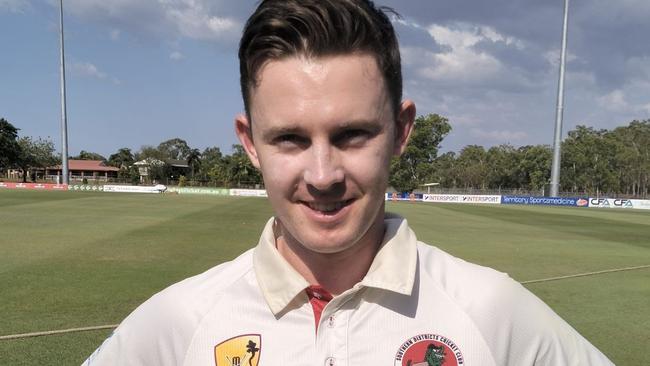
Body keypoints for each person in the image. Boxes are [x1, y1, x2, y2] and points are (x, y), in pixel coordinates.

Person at [83, 1, 614, 365]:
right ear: (249, 143)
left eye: (353, 134)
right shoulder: (180, 321)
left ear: (402, 131)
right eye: (289, 138)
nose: (322, 176)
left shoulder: (492, 311)